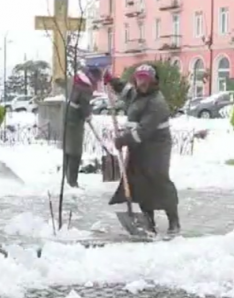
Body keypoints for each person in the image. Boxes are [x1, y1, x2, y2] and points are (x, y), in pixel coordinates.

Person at [104, 64, 180, 236]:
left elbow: (144, 131)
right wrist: (112, 81)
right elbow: (125, 90)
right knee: (141, 182)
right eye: (139, 79)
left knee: (159, 180)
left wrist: (123, 140)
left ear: (153, 81)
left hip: (157, 147)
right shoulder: (137, 94)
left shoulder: (157, 102)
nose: (142, 83)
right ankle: (148, 220)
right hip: (139, 146)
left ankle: (174, 220)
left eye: (146, 79)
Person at [62, 64, 104, 188]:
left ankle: (66, 179)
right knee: (75, 152)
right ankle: (72, 182)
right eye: (97, 79)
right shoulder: (85, 88)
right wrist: (88, 116)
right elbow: (84, 105)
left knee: (68, 149)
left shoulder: (76, 82)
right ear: (92, 76)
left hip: (67, 116)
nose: (97, 82)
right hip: (75, 120)